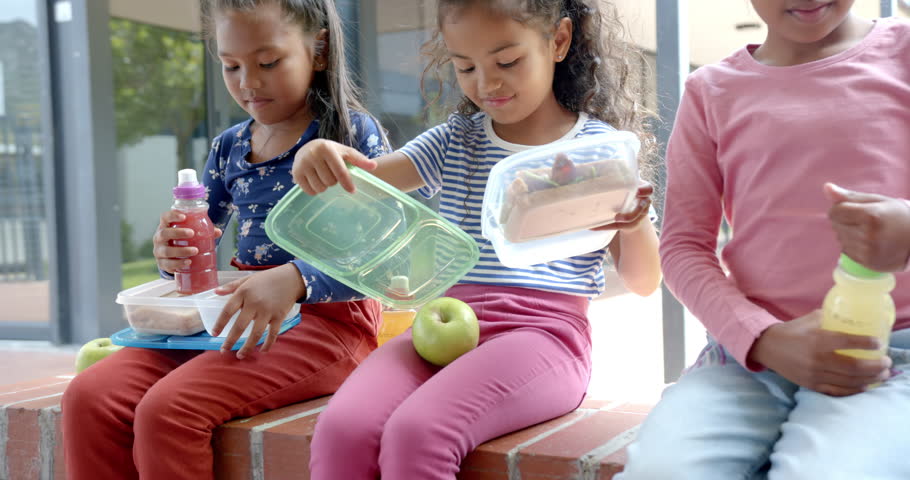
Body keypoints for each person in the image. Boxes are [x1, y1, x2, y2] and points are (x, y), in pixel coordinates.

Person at [291, 0, 661, 478]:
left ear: (559, 40)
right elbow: (363, 181)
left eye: (507, 61)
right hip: (443, 326)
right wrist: (320, 153)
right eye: (466, 66)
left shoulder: (596, 151)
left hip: (544, 338)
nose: (487, 83)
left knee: (418, 433)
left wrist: (632, 223)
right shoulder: (454, 140)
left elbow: (644, 282)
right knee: (342, 428)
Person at [61, 1, 389, 478]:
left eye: (268, 62)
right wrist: (171, 253)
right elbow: (195, 248)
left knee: (168, 410)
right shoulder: (230, 145)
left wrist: (295, 279)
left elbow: (384, 249)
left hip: (328, 323)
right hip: (233, 314)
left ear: (318, 51)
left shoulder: (352, 134)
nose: (248, 83)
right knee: (90, 395)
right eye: (231, 65)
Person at [617, 2, 910, 479]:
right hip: (747, 358)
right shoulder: (709, 91)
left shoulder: (903, 52)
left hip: (888, 356)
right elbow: (682, 247)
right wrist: (764, 339)